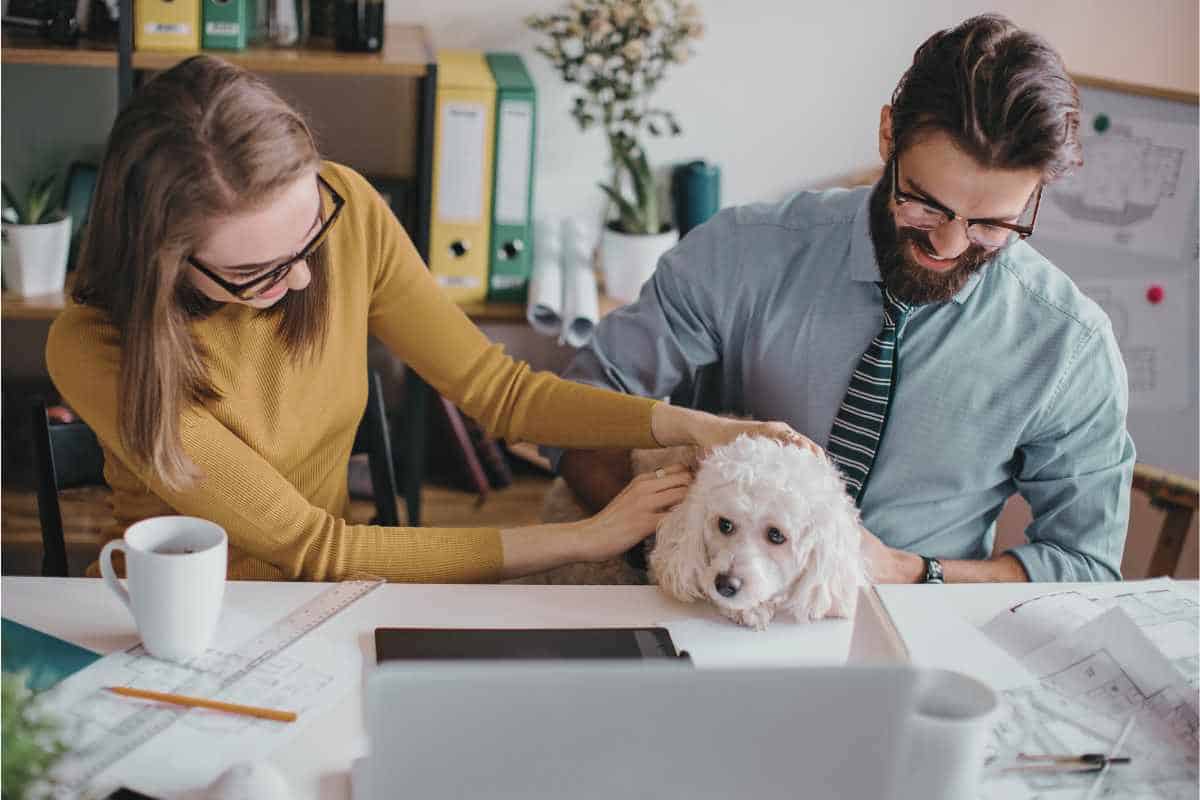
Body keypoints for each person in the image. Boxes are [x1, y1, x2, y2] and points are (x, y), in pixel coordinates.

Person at [45, 55, 811, 583]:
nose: (307, 275)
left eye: (309, 236)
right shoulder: (95, 345)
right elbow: (314, 546)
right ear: (164, 261)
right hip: (173, 614)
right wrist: (582, 538)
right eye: (258, 273)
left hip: (330, 603)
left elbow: (500, 393)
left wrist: (687, 425)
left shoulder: (346, 211)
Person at [552, 15, 1134, 584]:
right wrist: (691, 549)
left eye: (992, 224)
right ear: (888, 136)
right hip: (704, 607)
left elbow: (1084, 564)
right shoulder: (741, 253)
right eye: (925, 204)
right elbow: (576, 413)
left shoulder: (1069, 346)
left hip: (916, 634)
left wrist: (913, 573)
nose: (949, 244)